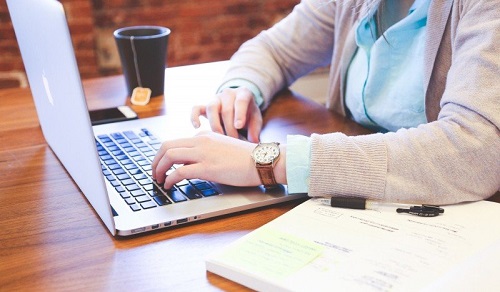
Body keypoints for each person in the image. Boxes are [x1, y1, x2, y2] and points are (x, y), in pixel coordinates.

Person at [152, 0, 500, 205]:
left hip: (452, 216)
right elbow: (274, 49)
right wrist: (240, 89)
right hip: (362, 204)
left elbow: (477, 149)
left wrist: (269, 162)